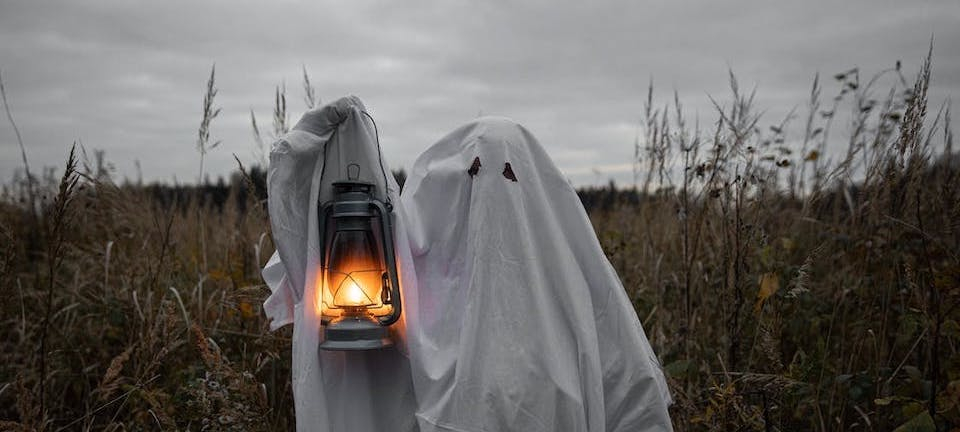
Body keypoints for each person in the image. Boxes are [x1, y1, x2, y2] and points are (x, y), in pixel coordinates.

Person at [398, 117, 673, 431]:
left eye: (507, 173)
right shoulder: (427, 285)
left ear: (529, 182)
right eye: (475, 171)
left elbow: (627, 380)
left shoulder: (570, 280)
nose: (492, 188)